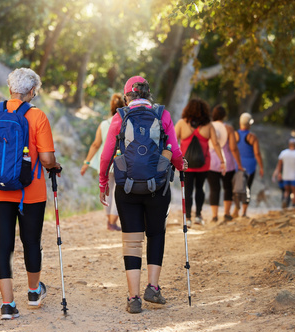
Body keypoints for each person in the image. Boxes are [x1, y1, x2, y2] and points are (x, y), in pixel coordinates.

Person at [0, 68, 61, 320]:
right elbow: (46, 158)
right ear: (32, 91)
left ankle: (7, 305)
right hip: (30, 191)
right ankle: (34, 293)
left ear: (10, 88)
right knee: (31, 241)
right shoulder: (38, 116)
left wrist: (3, 169)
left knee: (4, 244)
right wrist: (54, 166)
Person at [99, 76, 187, 314]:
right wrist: (181, 166)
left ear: (127, 96)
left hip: (127, 188)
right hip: (157, 187)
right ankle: (153, 287)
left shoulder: (120, 117)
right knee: (156, 234)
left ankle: (134, 297)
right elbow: (175, 151)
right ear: (148, 94)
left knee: (132, 241)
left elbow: (107, 155)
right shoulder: (162, 115)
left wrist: (102, 182)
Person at [175, 98, 225, 226]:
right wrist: (222, 161)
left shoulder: (181, 123)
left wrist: (172, 160)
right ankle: (198, 215)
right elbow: (216, 143)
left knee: (187, 190)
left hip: (185, 164)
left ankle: (188, 218)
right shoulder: (208, 125)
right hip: (203, 163)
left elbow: (173, 142)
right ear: (204, 110)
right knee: (200, 188)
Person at [81, 93, 124, 231]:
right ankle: (113, 222)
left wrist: (86, 163)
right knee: (119, 192)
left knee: (107, 191)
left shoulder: (104, 124)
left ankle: (110, 221)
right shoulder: (126, 123)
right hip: (121, 163)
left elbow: (95, 144)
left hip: (106, 163)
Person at [207, 105, 243, 222]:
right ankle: (226, 214)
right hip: (227, 162)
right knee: (228, 188)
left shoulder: (208, 127)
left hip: (211, 162)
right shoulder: (228, 128)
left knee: (214, 188)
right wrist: (239, 163)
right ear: (224, 116)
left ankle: (214, 216)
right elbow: (233, 147)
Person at [234, 112, 264, 217]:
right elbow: (257, 153)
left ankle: (236, 208)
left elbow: (231, 149)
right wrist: (261, 167)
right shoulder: (252, 137)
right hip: (250, 166)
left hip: (237, 164)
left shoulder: (234, 135)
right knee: (247, 187)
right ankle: (244, 212)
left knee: (237, 187)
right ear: (249, 124)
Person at [276, 138, 295, 208]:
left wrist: (279, 173)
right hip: (294, 177)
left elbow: (279, 164)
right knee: (294, 192)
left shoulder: (283, 153)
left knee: (286, 191)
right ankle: (293, 205)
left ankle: (285, 200)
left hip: (285, 176)